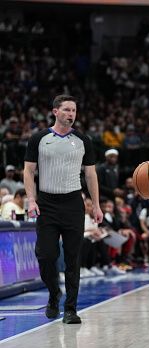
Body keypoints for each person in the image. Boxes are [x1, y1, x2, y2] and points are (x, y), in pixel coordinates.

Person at [24, 94, 103, 324]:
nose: (71, 114)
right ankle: (53, 294)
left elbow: (90, 174)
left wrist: (96, 205)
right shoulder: (39, 138)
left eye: (74, 111)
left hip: (72, 204)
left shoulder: (83, 140)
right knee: (46, 255)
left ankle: (70, 309)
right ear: (55, 111)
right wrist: (31, 200)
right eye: (66, 110)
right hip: (46, 203)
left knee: (72, 258)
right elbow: (28, 171)